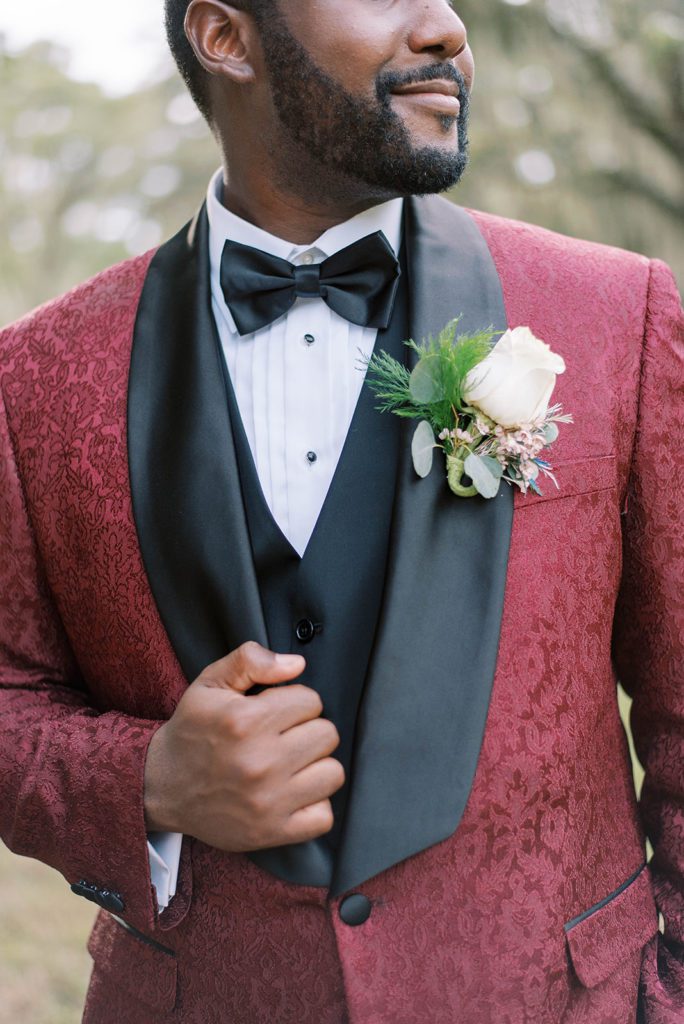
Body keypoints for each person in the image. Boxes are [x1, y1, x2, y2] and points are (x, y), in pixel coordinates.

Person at [0, 1, 682, 1022]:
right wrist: (145, 778)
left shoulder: (623, 314)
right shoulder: (33, 378)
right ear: (226, 37)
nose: (448, 27)